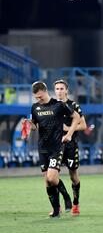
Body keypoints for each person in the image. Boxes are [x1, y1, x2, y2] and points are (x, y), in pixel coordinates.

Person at [23, 81, 80, 218]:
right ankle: (56, 210)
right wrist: (30, 127)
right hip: (42, 147)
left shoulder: (59, 105)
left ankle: (66, 197)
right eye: (36, 97)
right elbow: (35, 126)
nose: (38, 100)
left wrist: (69, 133)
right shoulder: (35, 107)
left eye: (40, 97)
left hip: (57, 146)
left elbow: (76, 117)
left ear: (45, 91)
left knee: (52, 177)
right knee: (47, 181)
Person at [53, 80, 87, 216]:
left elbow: (84, 125)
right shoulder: (52, 106)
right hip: (55, 146)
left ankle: (76, 203)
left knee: (73, 175)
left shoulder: (73, 105)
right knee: (53, 175)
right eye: (57, 89)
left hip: (71, 146)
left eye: (62, 88)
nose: (59, 91)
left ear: (66, 90)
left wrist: (68, 129)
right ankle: (57, 206)